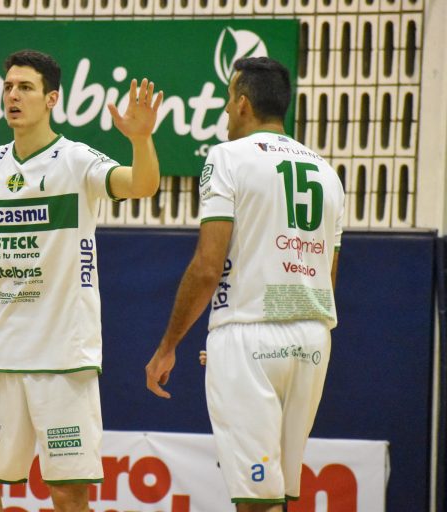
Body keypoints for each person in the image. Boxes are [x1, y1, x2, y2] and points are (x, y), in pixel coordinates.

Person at [0, 49, 162, 511]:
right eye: (8, 87)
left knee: (67, 493)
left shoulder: (76, 160)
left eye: (25, 87)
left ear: (51, 99)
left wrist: (141, 140)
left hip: (62, 358)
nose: (13, 95)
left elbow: (141, 185)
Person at [145, 57, 344, 512]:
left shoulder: (226, 157)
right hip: (312, 341)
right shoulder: (327, 172)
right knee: (279, 494)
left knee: (256, 500)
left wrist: (170, 345)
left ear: (243, 103)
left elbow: (207, 266)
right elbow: (326, 276)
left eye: (227, 99)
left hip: (250, 342)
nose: (225, 110)